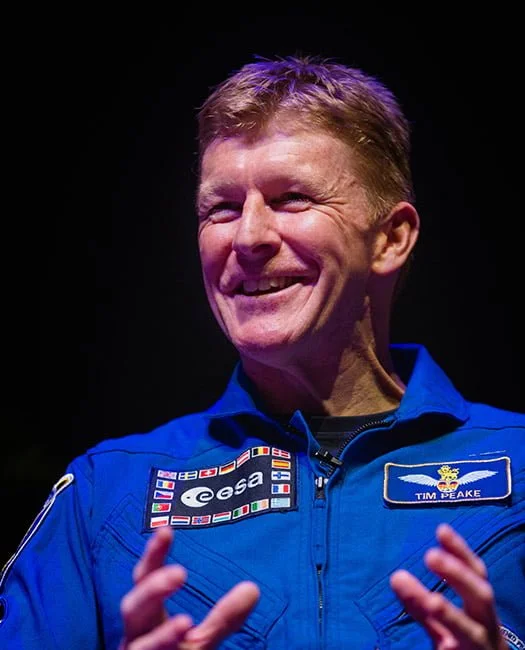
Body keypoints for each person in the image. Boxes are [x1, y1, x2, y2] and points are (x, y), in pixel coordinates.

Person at [1, 55, 523, 650]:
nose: (248, 237)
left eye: (292, 198)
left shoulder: (518, 461)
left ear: (390, 239)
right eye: (221, 208)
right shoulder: (105, 493)